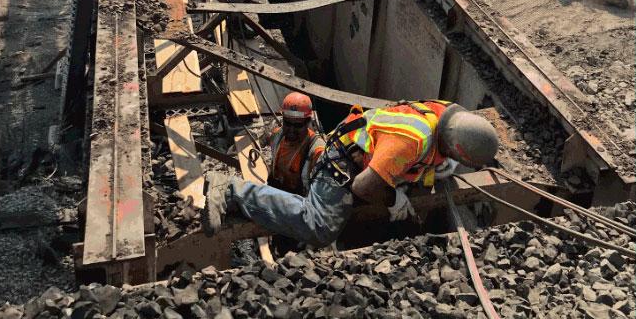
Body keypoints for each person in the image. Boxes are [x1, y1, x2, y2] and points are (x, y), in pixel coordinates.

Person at [203, 99, 499, 247]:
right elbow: (364, 187)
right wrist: (393, 199)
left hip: (367, 152)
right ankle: (232, 189)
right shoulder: (413, 141)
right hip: (341, 164)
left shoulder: (446, 113)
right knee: (318, 227)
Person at [267, 93, 325, 196]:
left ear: (308, 123)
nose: (291, 130)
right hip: (277, 193)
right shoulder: (277, 136)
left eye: (298, 125)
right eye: (288, 124)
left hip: (300, 203)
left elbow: (321, 193)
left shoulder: (317, 150)